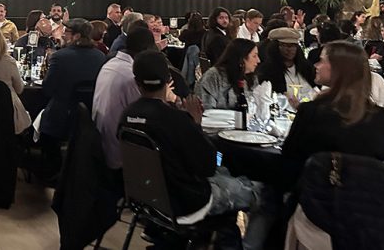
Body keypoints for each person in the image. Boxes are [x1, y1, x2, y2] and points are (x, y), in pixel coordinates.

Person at [120, 51, 266, 250]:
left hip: (147, 200)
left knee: (225, 176)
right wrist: (195, 124)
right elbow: (208, 165)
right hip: (187, 203)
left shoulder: (126, 116)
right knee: (259, 190)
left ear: (137, 82)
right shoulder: (176, 120)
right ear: (168, 80)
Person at [282, 42, 384, 174]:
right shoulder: (382, 118)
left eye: (322, 61)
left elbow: (289, 158)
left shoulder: (313, 112)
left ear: (338, 69)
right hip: (364, 191)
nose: (316, 66)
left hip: (313, 189)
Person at [39, 18, 106, 177]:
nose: (62, 35)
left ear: (76, 36)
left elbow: (47, 89)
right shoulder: (101, 56)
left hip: (61, 116)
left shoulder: (60, 57)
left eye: (66, 32)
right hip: (91, 115)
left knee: (42, 123)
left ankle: (50, 170)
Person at [92, 27, 157, 173]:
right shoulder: (130, 76)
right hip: (119, 155)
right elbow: (146, 118)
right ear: (147, 49)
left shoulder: (110, 65)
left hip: (101, 146)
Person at [254, 29, 316, 110]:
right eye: (285, 45)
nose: (290, 49)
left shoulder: (306, 67)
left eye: (293, 45)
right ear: (275, 47)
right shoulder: (267, 70)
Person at [197, 37, 260, 110]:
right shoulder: (213, 77)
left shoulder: (252, 79)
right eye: (254, 56)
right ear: (241, 58)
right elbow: (206, 109)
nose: (258, 60)